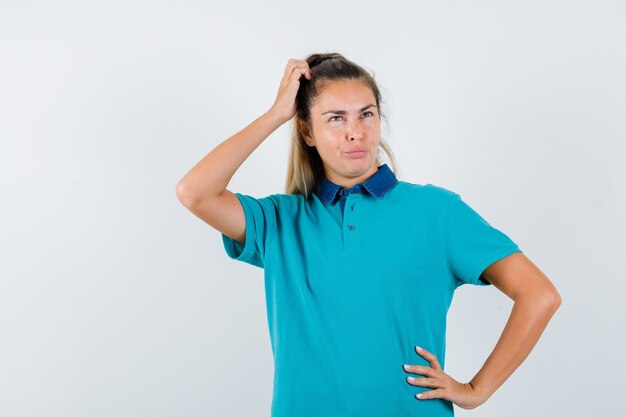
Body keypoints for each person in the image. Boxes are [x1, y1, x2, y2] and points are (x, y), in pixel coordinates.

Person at [176, 53, 562, 417]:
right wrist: (275, 114)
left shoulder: (437, 212)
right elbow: (195, 192)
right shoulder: (280, 220)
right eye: (335, 119)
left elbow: (539, 294)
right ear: (307, 132)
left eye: (366, 115)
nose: (355, 133)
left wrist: (477, 390)